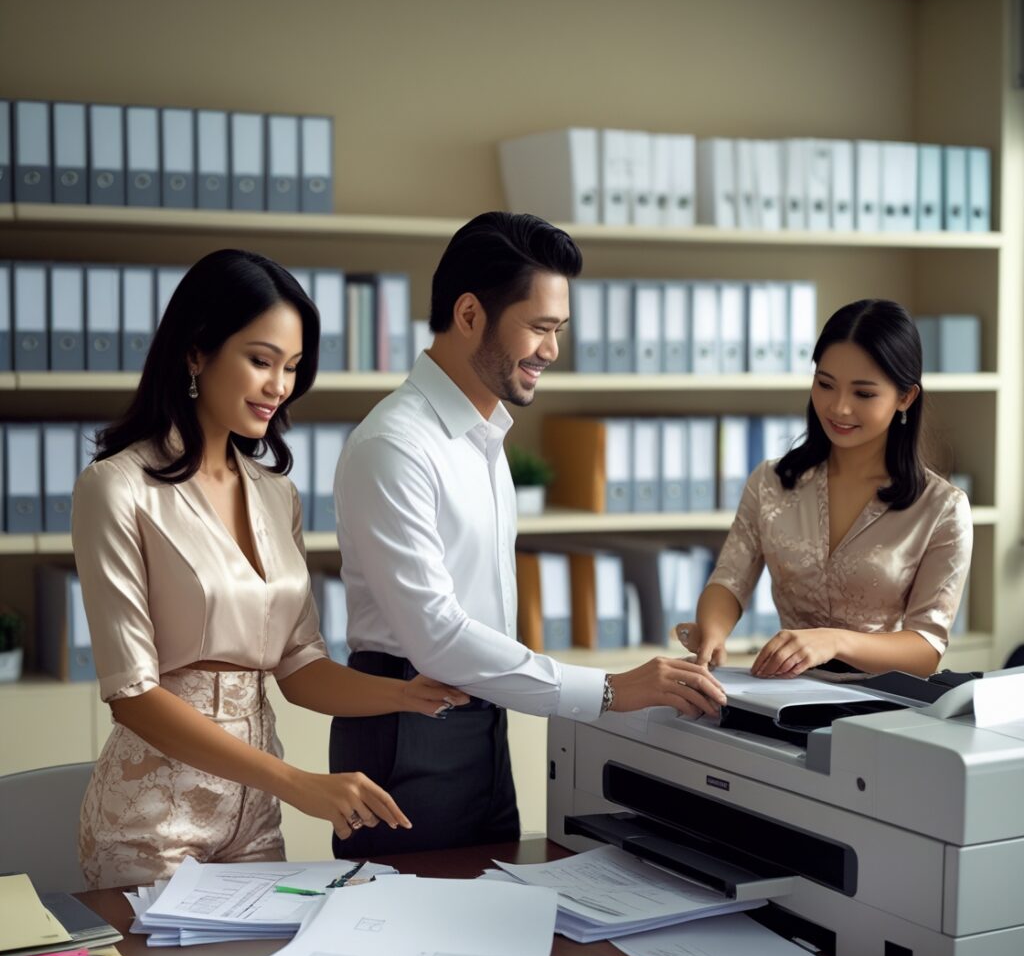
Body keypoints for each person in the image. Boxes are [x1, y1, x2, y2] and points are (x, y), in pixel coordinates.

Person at [330, 212, 728, 858]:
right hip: (409, 722)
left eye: (558, 330)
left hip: (481, 716)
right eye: (539, 328)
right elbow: (436, 636)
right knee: (409, 927)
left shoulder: (483, 438)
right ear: (469, 315)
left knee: (486, 914)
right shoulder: (395, 447)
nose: (551, 350)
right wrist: (608, 691)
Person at [71, 249, 470, 890]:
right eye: (260, 360)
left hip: (253, 818)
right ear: (196, 352)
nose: (279, 386)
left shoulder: (275, 493)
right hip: (150, 823)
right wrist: (298, 783)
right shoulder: (115, 488)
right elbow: (133, 697)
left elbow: (299, 667)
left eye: (290, 367)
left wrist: (404, 695)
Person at [678, 298, 972, 680]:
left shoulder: (942, 508)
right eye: (825, 384)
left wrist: (833, 641)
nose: (839, 408)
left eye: (863, 394)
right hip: (779, 692)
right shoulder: (770, 483)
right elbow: (729, 581)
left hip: (877, 707)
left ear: (905, 397)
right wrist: (713, 632)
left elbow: (926, 647)